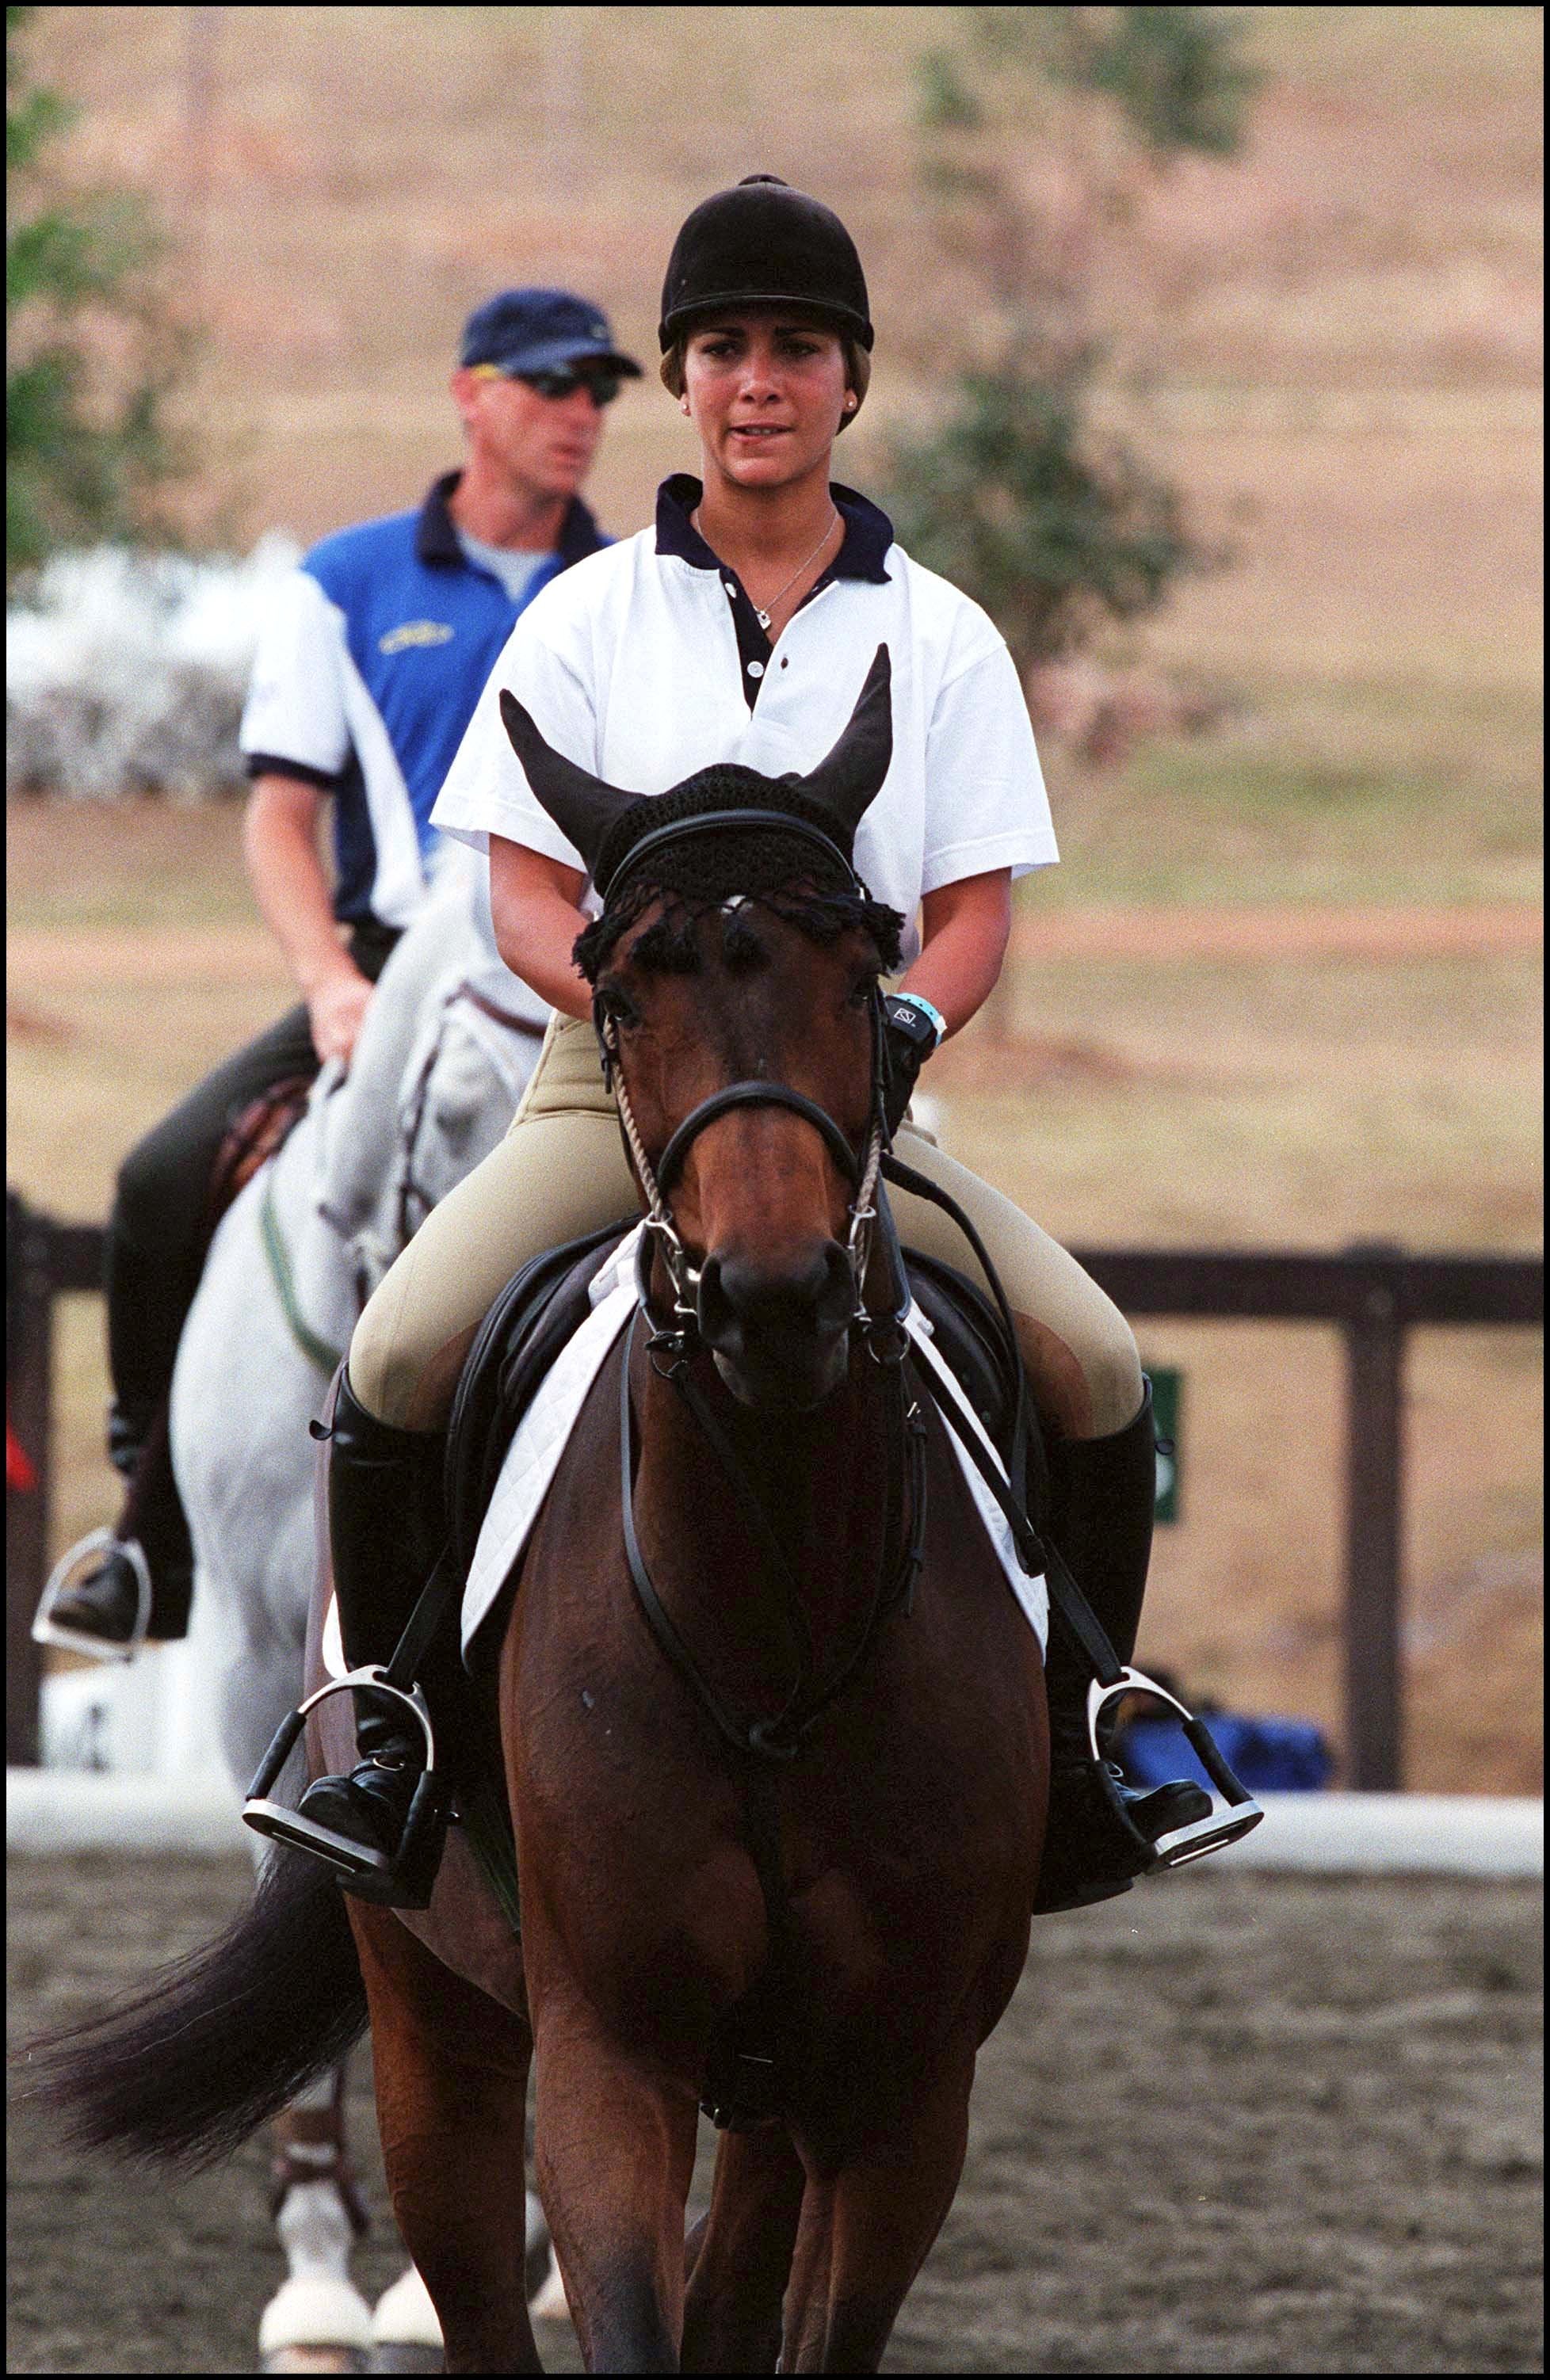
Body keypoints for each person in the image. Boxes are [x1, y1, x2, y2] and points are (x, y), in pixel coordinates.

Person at [280, 176, 1211, 1913]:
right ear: (684, 378)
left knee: (1090, 1362)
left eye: (795, 347)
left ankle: (1098, 1726)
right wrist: (646, 1039)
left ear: (852, 378)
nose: (757, 379)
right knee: (398, 1353)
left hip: (855, 1110)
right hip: (609, 1094)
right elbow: (520, 898)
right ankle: (393, 1727)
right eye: (722, 348)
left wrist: (904, 1025)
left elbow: (976, 908)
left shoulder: (939, 633)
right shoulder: (582, 619)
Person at [41, 288, 643, 1657]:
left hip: (575, 974)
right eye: (550, 385)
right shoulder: (346, 582)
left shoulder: (634, 591)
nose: (578, 416)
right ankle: (154, 1534)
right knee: (154, 1180)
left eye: (599, 391)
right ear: (469, 394)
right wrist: (325, 978)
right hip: (386, 959)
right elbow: (278, 816)